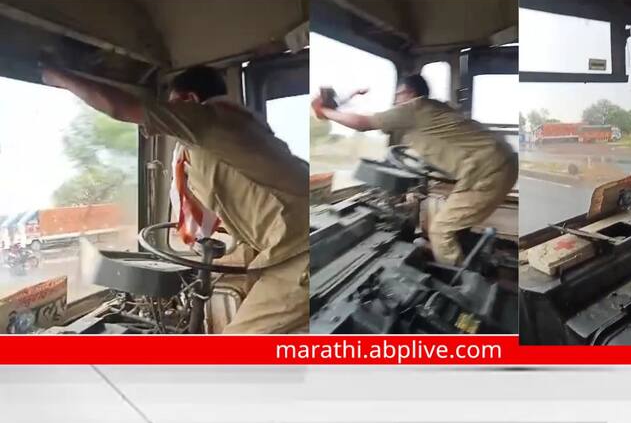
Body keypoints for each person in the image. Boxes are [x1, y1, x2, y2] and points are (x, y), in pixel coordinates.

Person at [41, 65, 309, 334]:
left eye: (172, 107)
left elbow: (120, 107)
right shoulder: (237, 127)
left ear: (190, 101)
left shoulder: (209, 120)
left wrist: (60, 76)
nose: (167, 121)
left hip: (297, 253)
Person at [313, 74, 517, 266]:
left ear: (410, 93)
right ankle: (461, 260)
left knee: (440, 231)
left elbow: (362, 123)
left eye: (398, 96)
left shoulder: (414, 109)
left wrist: (326, 112)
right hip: (500, 162)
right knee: (454, 226)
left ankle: (460, 286)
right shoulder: (435, 110)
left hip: (488, 169)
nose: (395, 101)